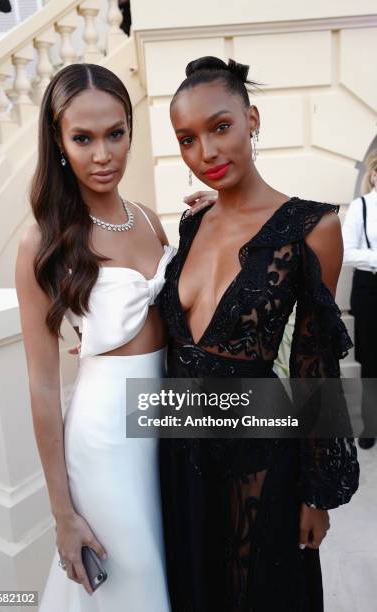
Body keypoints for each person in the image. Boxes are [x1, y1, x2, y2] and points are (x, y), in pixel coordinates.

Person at [155, 56, 360, 612]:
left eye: (220, 127)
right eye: (187, 140)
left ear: (253, 119)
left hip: (259, 463)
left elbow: (313, 368)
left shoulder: (313, 227)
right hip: (178, 454)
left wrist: (316, 495)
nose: (207, 154)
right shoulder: (193, 223)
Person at [15, 63, 174, 610]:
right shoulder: (44, 241)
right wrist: (62, 513)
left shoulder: (151, 221)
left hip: (169, 425)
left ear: (131, 128)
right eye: (82, 138)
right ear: (58, 141)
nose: (102, 155)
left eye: (115, 134)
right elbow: (40, 386)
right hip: (106, 442)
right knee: (135, 584)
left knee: (173, 567)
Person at [343, 150, 377, 449]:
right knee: (370, 360)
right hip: (370, 288)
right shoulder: (361, 207)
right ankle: (370, 426)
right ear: (375, 175)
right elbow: (346, 252)